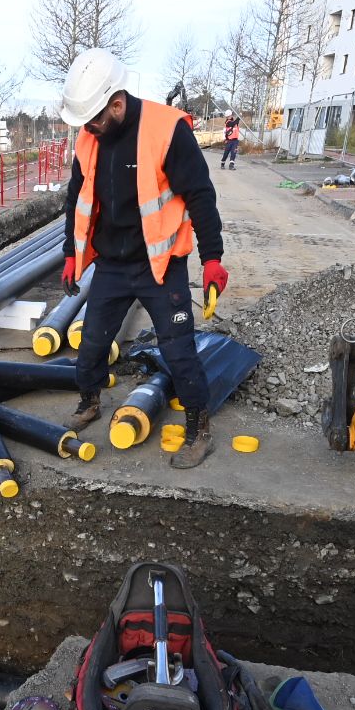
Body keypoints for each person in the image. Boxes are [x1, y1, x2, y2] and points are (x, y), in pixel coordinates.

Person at [57, 48, 230, 469]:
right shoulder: (89, 137)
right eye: (85, 123)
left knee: (179, 351)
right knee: (92, 343)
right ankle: (90, 400)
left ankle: (199, 428)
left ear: (117, 103)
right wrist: (69, 253)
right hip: (112, 265)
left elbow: (200, 196)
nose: (91, 129)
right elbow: (75, 197)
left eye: (95, 119)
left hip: (160, 265)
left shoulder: (166, 129)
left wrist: (212, 258)